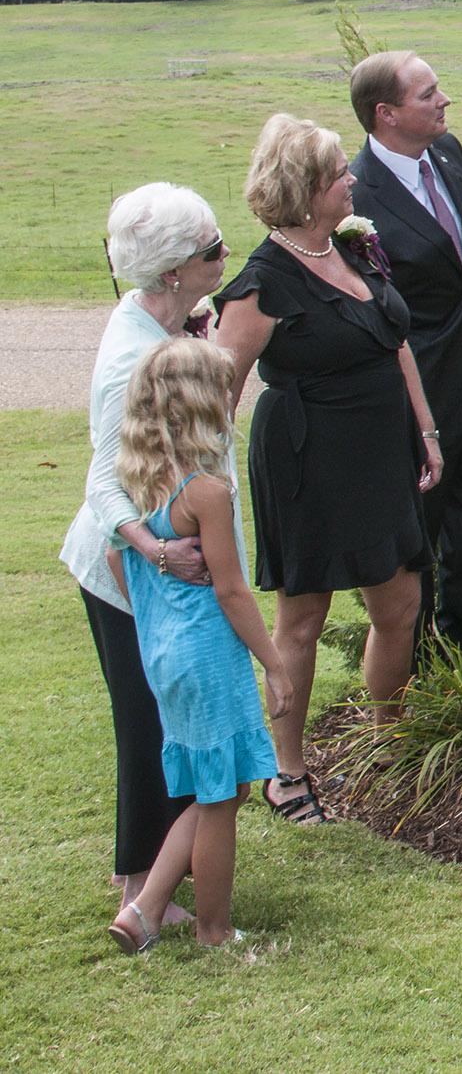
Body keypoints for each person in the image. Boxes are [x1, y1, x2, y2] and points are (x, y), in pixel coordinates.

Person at [213, 113, 443, 826]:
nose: (351, 179)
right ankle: (288, 772)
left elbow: (394, 341)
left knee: (398, 605)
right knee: (302, 618)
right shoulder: (259, 286)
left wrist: (426, 430)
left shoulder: (355, 249)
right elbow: (216, 393)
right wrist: (197, 491)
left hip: (380, 454)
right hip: (307, 460)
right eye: (339, 172)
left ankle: (388, 739)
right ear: (307, 191)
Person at [60, 183, 239, 931]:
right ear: (172, 272)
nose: (225, 256)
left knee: (165, 719)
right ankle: (138, 885)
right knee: (146, 725)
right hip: (127, 575)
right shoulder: (127, 362)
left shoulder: (161, 322)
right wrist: (158, 551)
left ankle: (158, 878)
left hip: (160, 568)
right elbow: (104, 483)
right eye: (211, 251)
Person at [105, 339, 291, 952]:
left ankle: (144, 908)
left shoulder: (137, 478)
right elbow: (233, 592)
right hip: (208, 655)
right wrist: (275, 664)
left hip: (164, 654)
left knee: (224, 786)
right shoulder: (207, 491)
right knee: (219, 797)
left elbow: (114, 555)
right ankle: (213, 929)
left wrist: (157, 619)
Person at [346, 51, 462, 652]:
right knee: (419, 540)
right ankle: (412, 682)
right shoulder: (356, 195)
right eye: (427, 94)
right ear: (385, 114)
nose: (444, 101)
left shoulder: (450, 154)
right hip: (415, 396)